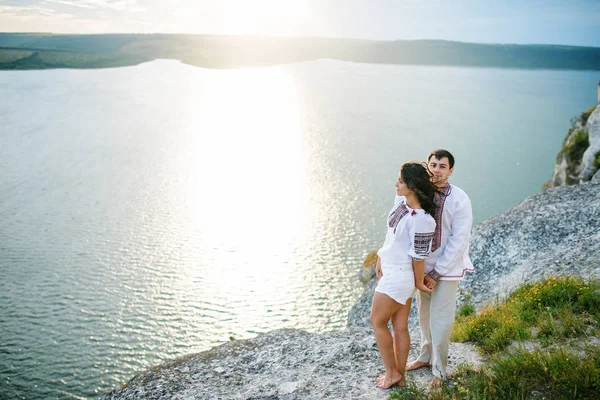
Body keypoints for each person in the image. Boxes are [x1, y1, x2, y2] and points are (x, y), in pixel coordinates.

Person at [405, 149, 474, 389]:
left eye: (442, 166)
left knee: (441, 319)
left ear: (450, 170)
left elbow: (460, 239)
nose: (436, 169)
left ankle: (440, 370)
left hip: (447, 269)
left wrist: (437, 272)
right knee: (423, 315)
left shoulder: (459, 198)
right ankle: (425, 357)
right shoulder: (419, 193)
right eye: (432, 164)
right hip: (421, 266)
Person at [370, 161, 438, 389]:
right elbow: (391, 233)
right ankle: (400, 378)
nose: (396, 184)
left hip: (399, 277)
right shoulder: (401, 201)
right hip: (393, 270)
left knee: (377, 322)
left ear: (412, 186)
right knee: (399, 326)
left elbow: (419, 257)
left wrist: (418, 282)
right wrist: (381, 256)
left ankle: (391, 373)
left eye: (400, 181)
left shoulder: (423, 220)